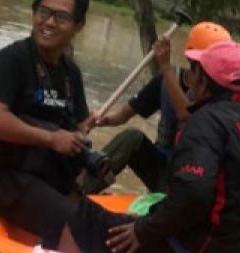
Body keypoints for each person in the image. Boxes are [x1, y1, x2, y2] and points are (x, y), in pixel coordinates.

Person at [72, 41, 240, 253]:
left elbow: (194, 191)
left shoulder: (204, 122)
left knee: (83, 215)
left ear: (203, 81)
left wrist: (143, 231)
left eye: (194, 70)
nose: (189, 76)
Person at [0, 0, 104, 250]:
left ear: (78, 26)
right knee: (74, 222)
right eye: (43, 12)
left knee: (95, 216)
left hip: (44, 175)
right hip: (0, 175)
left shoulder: (70, 73)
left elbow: (73, 129)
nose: (48, 22)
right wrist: (51, 139)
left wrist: (82, 129)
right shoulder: (11, 61)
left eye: (61, 17)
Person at [86, 21, 231, 193]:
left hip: (193, 178)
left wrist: (165, 67)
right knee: (132, 138)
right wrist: (102, 120)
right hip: (163, 166)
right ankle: (83, 189)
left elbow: (188, 116)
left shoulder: (223, 95)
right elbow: (124, 115)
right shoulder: (166, 80)